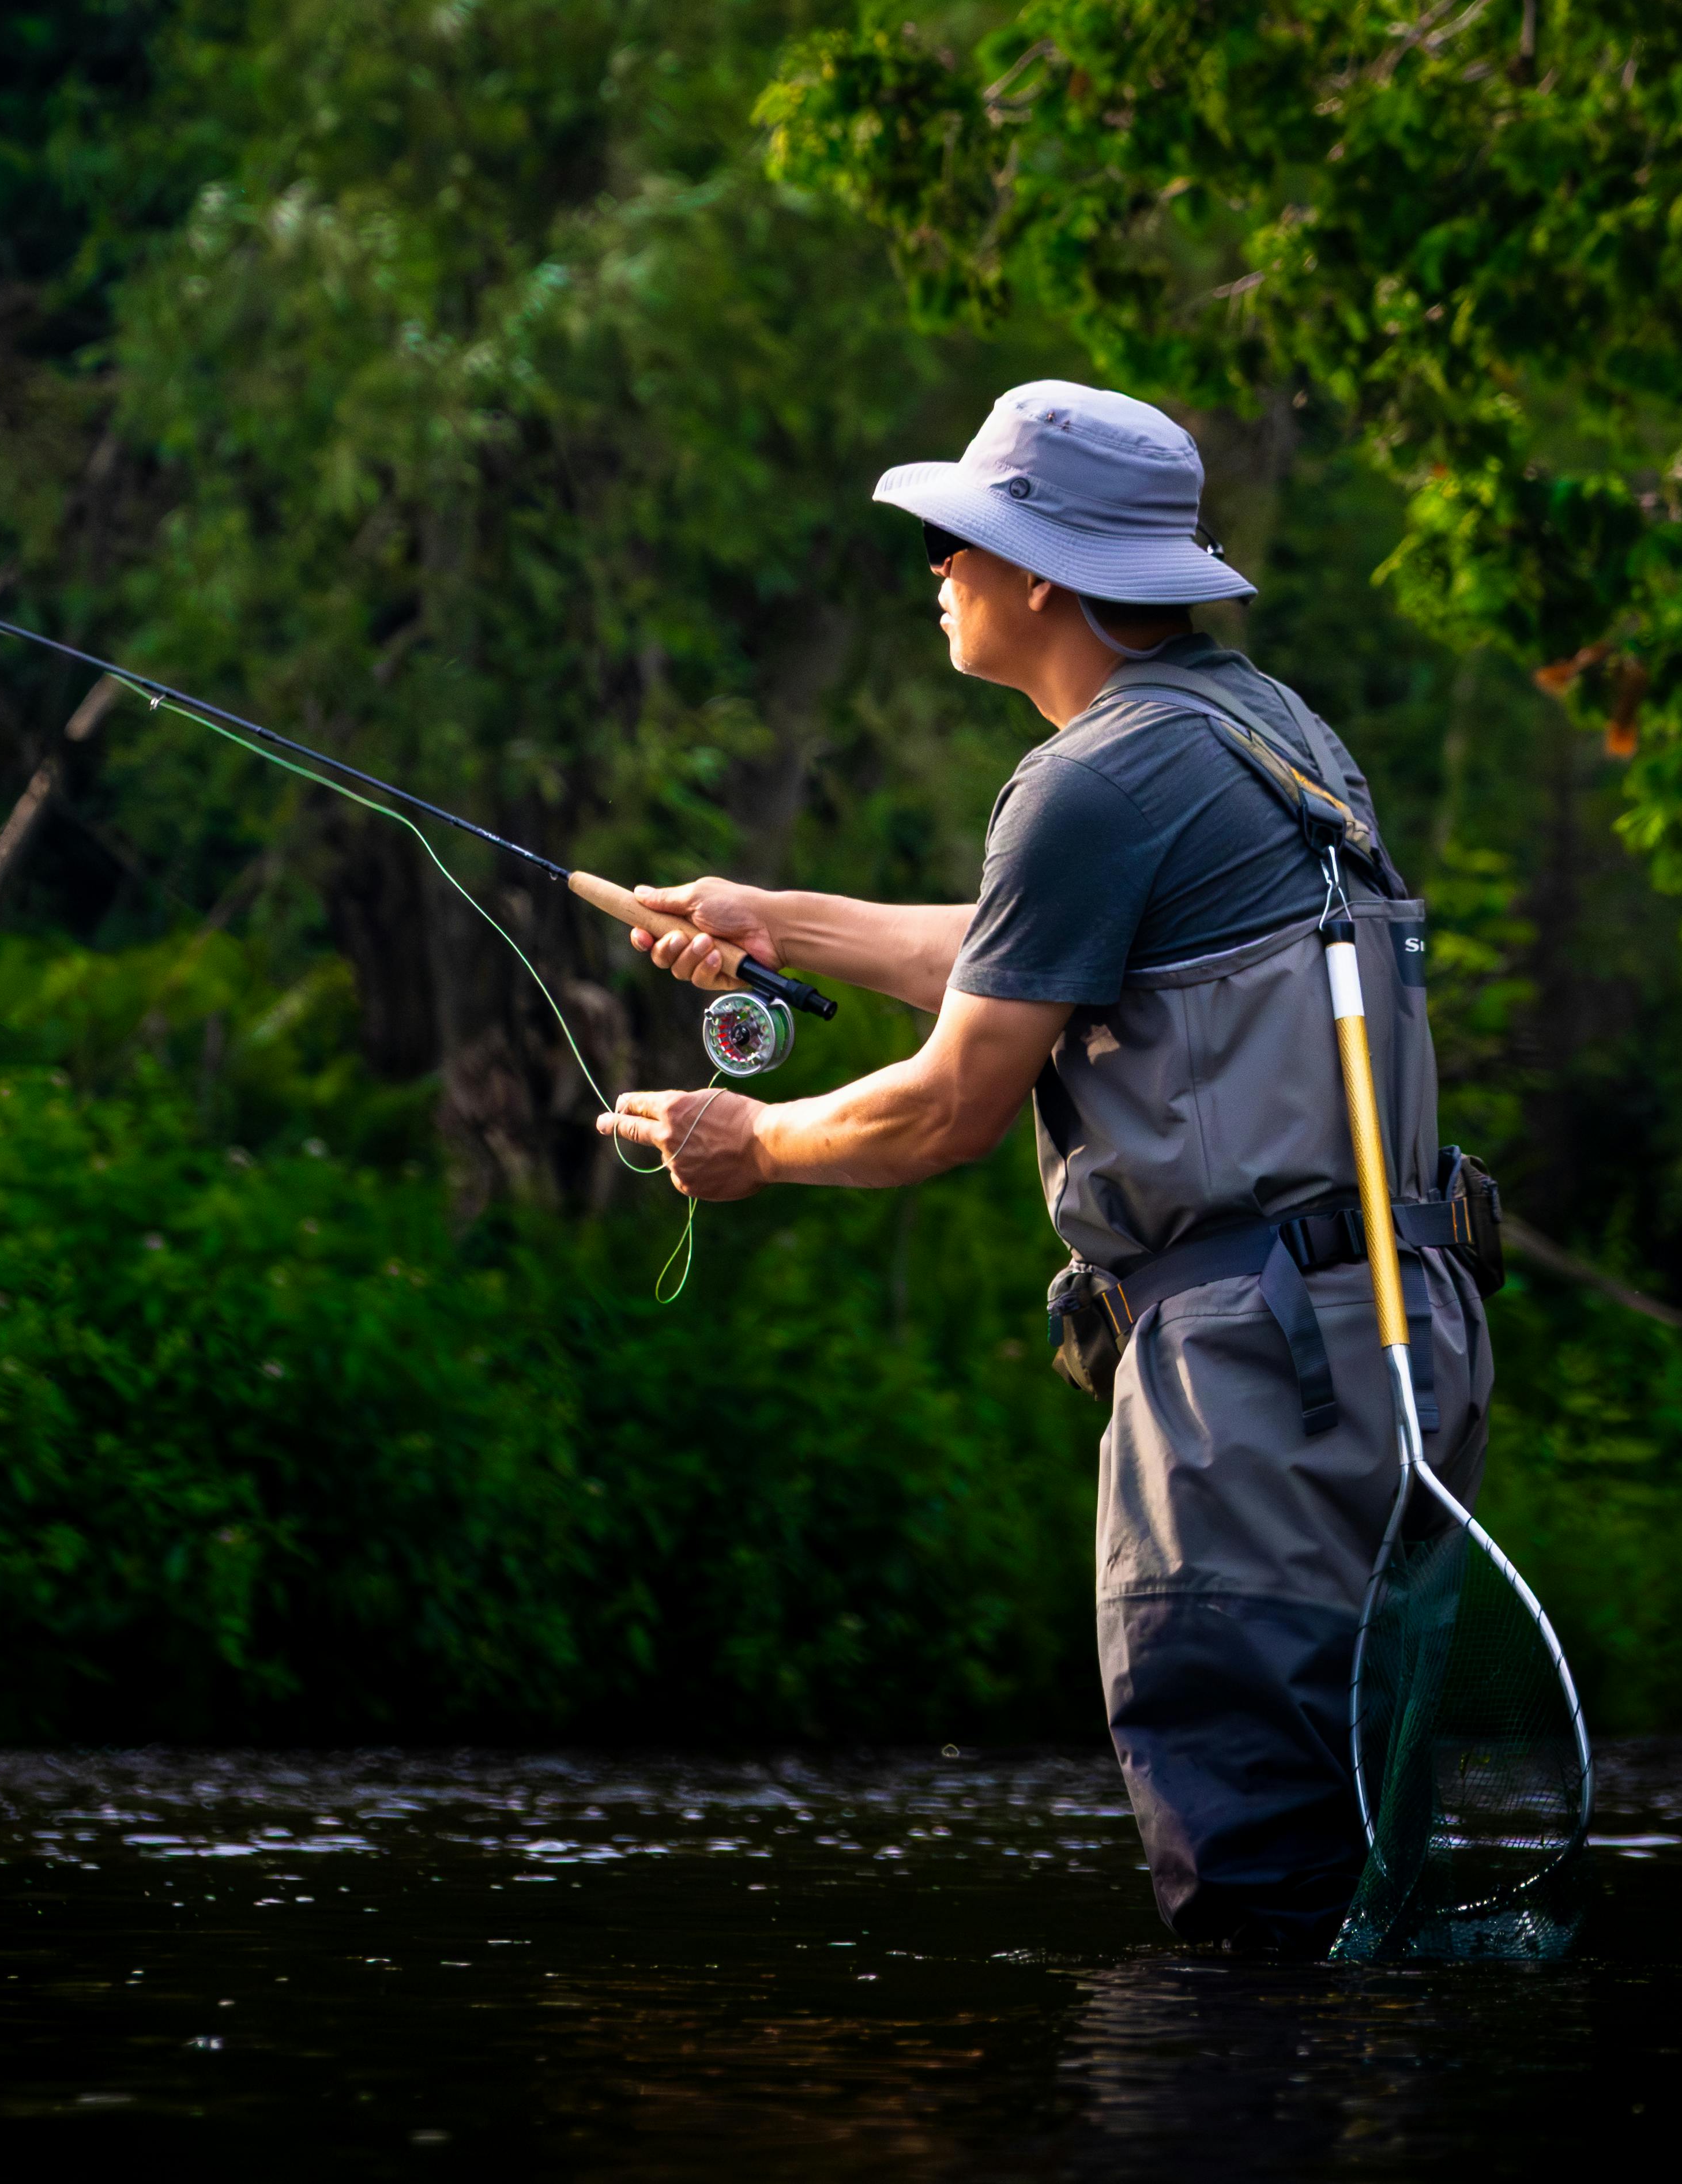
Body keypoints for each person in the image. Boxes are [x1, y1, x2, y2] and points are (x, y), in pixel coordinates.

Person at [600, 377, 1490, 1946]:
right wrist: (774, 921)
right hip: (1381, 1343)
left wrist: (745, 1144)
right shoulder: (1258, 730)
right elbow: (1043, 952)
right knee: (1351, 1858)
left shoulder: (1090, 780)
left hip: (1246, 1369)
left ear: (1038, 576)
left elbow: (949, 1104)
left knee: (1251, 1872)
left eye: (959, 540)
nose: (935, 567)